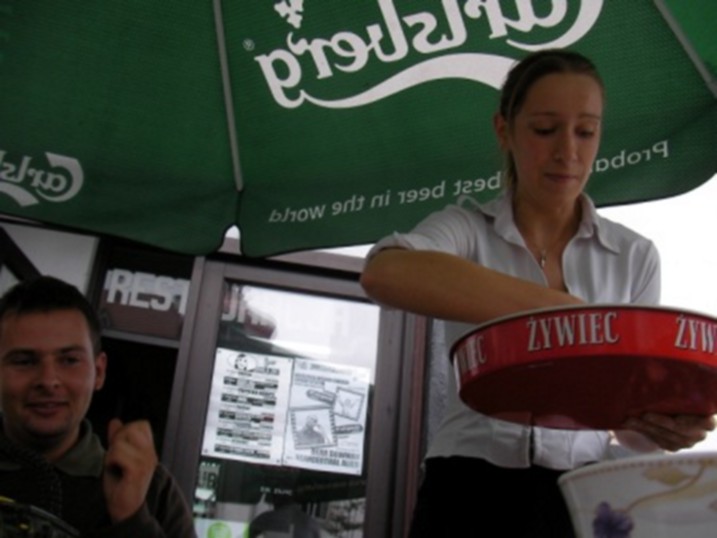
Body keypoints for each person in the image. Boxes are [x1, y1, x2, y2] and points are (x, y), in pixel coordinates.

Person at [360, 49, 716, 537]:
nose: (568, 152)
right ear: (504, 130)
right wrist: (567, 313)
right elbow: (386, 272)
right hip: (466, 485)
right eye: (545, 129)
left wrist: (661, 427)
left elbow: (625, 421)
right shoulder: (467, 230)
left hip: (579, 491)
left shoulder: (633, 256)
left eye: (585, 131)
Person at [0, 276, 196, 537]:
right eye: (24, 361)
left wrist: (132, 518)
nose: (48, 381)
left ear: (99, 372)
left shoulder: (151, 488)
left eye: (69, 360)